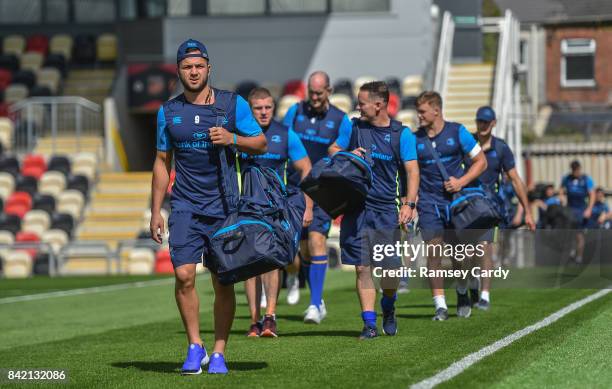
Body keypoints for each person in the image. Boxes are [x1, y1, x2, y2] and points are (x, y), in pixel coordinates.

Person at [150, 39, 267, 375]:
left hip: (225, 207)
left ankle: (218, 352)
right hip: (185, 205)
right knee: (184, 275)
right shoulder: (168, 112)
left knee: (222, 282)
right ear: (179, 71)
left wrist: (233, 139)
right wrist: (157, 210)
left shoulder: (233, 104)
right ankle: (194, 345)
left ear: (209, 68)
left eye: (199, 65)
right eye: (187, 66)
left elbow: (259, 142)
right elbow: (161, 161)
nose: (194, 71)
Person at [329, 81, 419, 339]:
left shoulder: (402, 134)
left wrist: (409, 204)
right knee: (361, 267)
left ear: (379, 105)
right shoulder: (353, 126)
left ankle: (388, 306)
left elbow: (412, 171)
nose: (358, 106)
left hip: (386, 211)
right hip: (356, 208)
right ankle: (369, 323)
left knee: (389, 272)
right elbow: (334, 149)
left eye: (362, 102)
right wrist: (348, 154)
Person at [239, 87, 313, 338]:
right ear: (250, 110)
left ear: (274, 107)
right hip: (246, 206)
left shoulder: (285, 134)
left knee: (270, 262)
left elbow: (306, 168)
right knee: (249, 266)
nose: (263, 112)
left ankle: (270, 317)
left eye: (268, 107)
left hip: (275, 207)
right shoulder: (239, 134)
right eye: (258, 108)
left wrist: (307, 205)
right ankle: (253, 321)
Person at [282, 71, 352, 323]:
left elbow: (343, 156)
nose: (314, 97)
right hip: (293, 189)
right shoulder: (295, 112)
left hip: (322, 192)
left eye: (319, 93)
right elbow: (281, 142)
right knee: (295, 252)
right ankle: (292, 276)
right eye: (311, 92)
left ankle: (315, 304)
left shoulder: (341, 121)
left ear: (329, 91)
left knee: (316, 242)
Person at [413, 91, 487, 321]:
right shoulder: (415, 140)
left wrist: (461, 182)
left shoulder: (458, 132)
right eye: (417, 111)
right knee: (433, 254)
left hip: (455, 204)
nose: (419, 116)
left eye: (422, 111)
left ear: (436, 110)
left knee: (459, 255)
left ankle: (463, 290)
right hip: (428, 204)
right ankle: (440, 306)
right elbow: (411, 173)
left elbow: (481, 161)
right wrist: (411, 202)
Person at [466, 106, 536, 310]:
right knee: (467, 253)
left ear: (493, 123)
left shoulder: (501, 148)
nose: (483, 125)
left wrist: (527, 211)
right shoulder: (468, 144)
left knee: (485, 249)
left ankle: (485, 295)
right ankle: (472, 284)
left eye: (486, 122)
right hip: (468, 205)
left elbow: (515, 180)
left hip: (490, 207)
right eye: (480, 121)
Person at [559, 160, 595, 263]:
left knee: (579, 234)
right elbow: (561, 189)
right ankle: (571, 252)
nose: (576, 172)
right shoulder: (567, 178)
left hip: (581, 210)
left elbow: (592, 194)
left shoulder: (586, 179)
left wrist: (589, 209)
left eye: (577, 169)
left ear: (580, 169)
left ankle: (579, 257)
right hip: (570, 209)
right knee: (570, 232)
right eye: (574, 170)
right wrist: (562, 198)